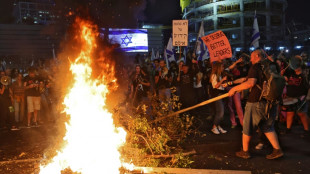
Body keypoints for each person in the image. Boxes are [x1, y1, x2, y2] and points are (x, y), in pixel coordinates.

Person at [228, 49, 283, 159]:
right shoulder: (271, 66)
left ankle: (245, 151)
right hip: (270, 102)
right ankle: (277, 150)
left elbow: (250, 83)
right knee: (267, 127)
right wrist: (237, 85)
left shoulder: (256, 67)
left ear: (257, 56)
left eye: (252, 57)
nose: (251, 59)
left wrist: (234, 89)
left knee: (247, 127)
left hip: (256, 102)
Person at [282, 55, 309, 134]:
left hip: (301, 97)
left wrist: (306, 97)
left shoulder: (305, 74)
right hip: (290, 97)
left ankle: (306, 130)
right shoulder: (290, 72)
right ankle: (288, 129)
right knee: (290, 113)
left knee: (302, 114)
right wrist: (282, 75)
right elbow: (285, 80)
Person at [209, 61, 227, 134]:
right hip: (217, 95)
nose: (223, 68)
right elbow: (216, 86)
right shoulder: (214, 75)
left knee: (220, 111)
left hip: (221, 94)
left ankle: (218, 126)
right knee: (220, 112)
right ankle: (214, 127)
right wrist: (222, 80)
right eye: (222, 67)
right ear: (219, 68)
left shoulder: (219, 75)